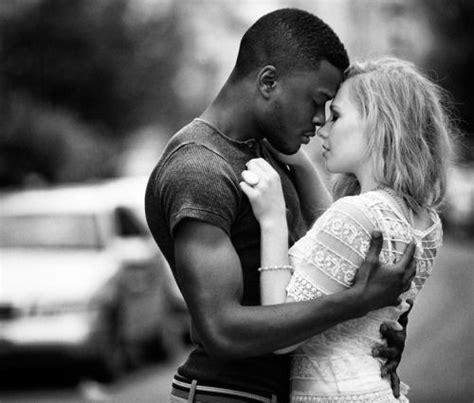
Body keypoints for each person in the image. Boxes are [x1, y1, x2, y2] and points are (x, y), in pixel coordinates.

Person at [145, 9, 416, 403]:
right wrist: (357, 303)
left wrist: (373, 331)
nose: (321, 120)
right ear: (269, 82)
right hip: (226, 394)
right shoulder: (199, 168)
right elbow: (222, 329)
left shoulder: (269, 154)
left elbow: (325, 267)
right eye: (317, 101)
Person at [240, 57, 455, 402]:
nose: (323, 128)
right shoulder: (427, 223)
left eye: (336, 116)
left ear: (381, 123)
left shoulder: (356, 214)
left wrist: (272, 221)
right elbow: (340, 264)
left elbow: (281, 335)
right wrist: (292, 153)